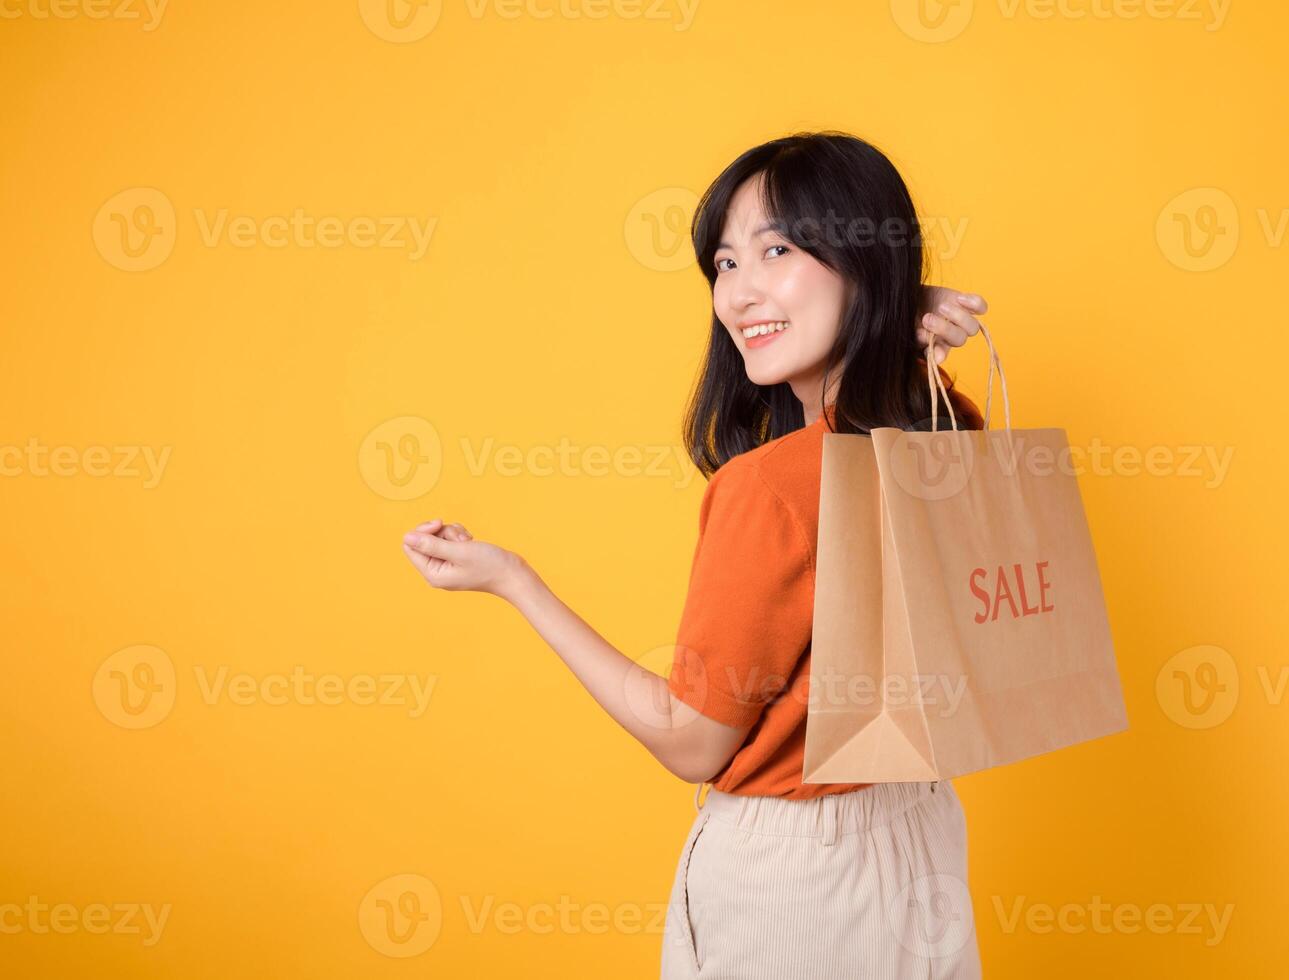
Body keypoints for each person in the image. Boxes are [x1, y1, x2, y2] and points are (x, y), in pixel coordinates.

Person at [400, 131, 988, 979]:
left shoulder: (771, 487)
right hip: (922, 835)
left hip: (796, 877)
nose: (741, 293)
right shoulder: (951, 433)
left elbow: (691, 744)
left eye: (776, 249)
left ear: (863, 256)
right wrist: (895, 314)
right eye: (724, 265)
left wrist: (513, 581)